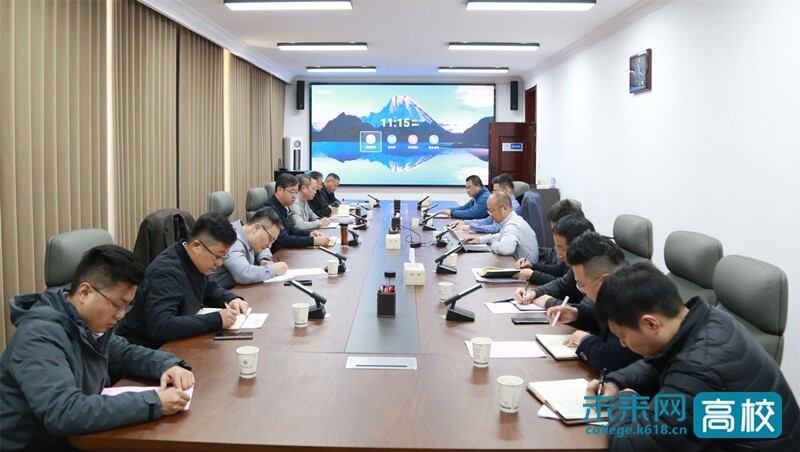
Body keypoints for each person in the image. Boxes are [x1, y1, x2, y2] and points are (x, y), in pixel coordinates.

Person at [0, 245, 194, 450]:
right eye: (117, 305)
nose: (121, 315)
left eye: (126, 307)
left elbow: (124, 353)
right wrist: (153, 402)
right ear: (85, 292)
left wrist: (168, 364)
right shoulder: (38, 337)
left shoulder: (85, 321)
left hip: (75, 439)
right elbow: (64, 412)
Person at [589, 262, 800, 451]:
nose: (623, 344)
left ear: (652, 324)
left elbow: (631, 446)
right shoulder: (708, 318)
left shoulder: (699, 369)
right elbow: (657, 363)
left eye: (622, 336)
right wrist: (616, 383)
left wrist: (625, 399)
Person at [116, 212, 249, 349]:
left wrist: (231, 299)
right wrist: (216, 320)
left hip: (175, 342)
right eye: (218, 256)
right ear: (197, 246)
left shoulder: (194, 260)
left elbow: (209, 288)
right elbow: (161, 326)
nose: (219, 263)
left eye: (223, 257)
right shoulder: (166, 272)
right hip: (143, 348)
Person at [544, 231, 641, 373]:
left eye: (581, 285)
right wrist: (576, 314)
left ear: (604, 280)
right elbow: (601, 321)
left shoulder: (633, 305)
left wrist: (585, 340)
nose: (583, 292)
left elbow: (608, 362)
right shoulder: (619, 289)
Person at [513, 214, 594, 309]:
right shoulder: (579, 263)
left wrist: (549, 302)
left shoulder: (596, 266)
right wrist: (534, 293)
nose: (558, 255)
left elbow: (589, 312)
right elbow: (561, 285)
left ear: (577, 245)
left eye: (561, 248)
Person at [211, 207, 288, 289]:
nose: (269, 246)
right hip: (215, 293)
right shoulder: (232, 239)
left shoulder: (246, 234)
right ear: (256, 228)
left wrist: (264, 259)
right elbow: (244, 274)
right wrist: (273, 269)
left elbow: (263, 249)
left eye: (273, 241)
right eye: (270, 239)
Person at [515, 198, 584, 284]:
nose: (558, 255)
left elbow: (566, 285)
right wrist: (532, 266)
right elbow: (560, 270)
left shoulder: (583, 255)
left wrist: (532, 275)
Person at [263, 173, 330, 252]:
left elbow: (291, 229)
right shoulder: (270, 210)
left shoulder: (282, 206)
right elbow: (283, 240)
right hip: (276, 254)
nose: (295, 196)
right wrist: (313, 240)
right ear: (280, 190)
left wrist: (309, 233)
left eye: (296, 192)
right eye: (292, 191)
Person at [462, 191, 538, 261]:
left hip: (525, 269)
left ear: (504, 208)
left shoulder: (513, 225)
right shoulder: (512, 220)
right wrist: (481, 240)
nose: (490, 215)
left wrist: (493, 243)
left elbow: (505, 249)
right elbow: (501, 235)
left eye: (491, 211)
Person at [449, 174, 520, 233]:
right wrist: (464, 222)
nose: (493, 194)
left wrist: (471, 227)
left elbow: (496, 228)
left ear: (507, 190)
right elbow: (488, 221)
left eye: (496, 191)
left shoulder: (512, 207)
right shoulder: (502, 203)